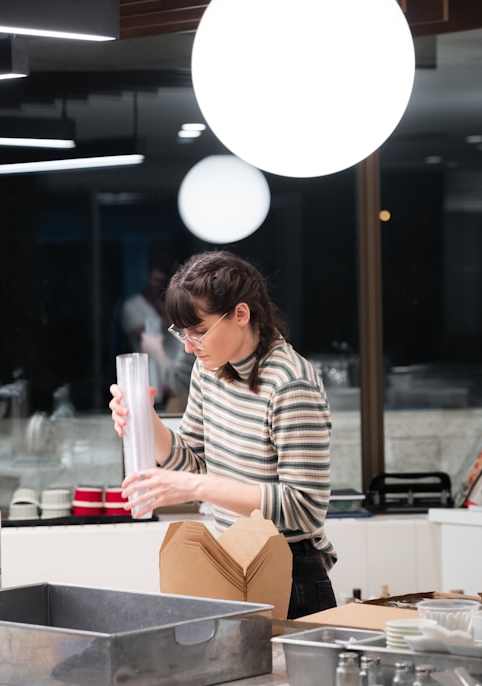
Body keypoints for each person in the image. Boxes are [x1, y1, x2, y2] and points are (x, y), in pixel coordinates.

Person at [109, 250, 337, 619]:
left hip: (290, 570)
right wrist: (145, 420)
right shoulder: (210, 369)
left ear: (241, 314)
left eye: (199, 332)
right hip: (233, 556)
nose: (188, 346)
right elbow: (194, 462)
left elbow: (305, 508)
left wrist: (194, 489)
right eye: (182, 333)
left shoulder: (289, 384)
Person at [119, 263, 192, 412]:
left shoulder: (172, 306)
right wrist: (171, 314)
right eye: (155, 280)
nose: (157, 286)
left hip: (176, 381)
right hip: (150, 379)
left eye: (162, 282)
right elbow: (143, 330)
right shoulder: (132, 305)